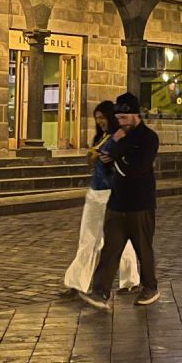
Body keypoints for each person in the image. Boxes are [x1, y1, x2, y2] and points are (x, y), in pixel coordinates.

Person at [81, 92, 161, 309]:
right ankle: (100, 292)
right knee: (110, 249)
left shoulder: (148, 138)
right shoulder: (117, 136)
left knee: (143, 249)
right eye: (119, 119)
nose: (121, 123)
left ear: (136, 116)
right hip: (117, 202)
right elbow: (106, 160)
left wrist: (116, 156)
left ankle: (150, 287)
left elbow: (136, 168)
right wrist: (113, 152)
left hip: (140, 203)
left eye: (125, 119)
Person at [60, 102, 139, 299]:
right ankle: (77, 283)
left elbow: (110, 158)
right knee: (88, 238)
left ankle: (130, 279)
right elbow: (92, 159)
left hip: (112, 193)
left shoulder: (119, 136)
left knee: (117, 238)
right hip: (96, 192)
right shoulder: (102, 137)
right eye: (97, 118)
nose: (100, 121)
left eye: (102, 117)